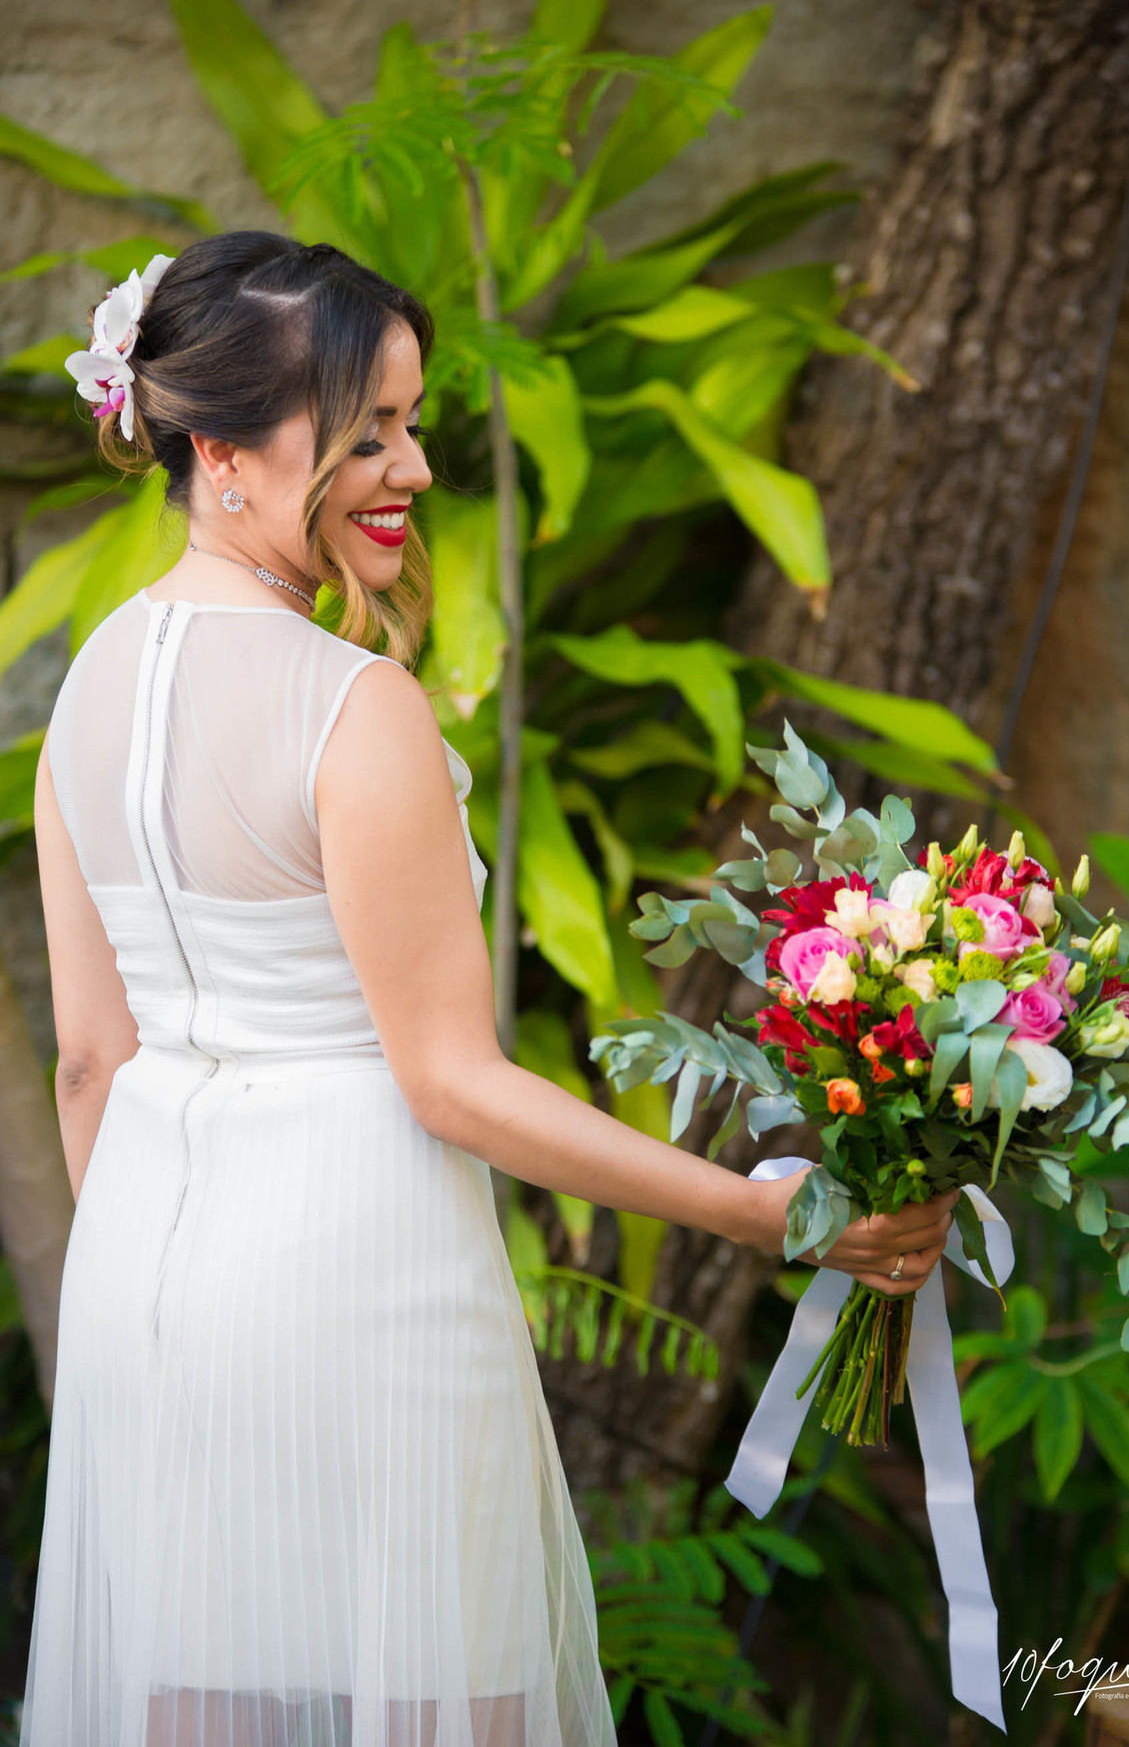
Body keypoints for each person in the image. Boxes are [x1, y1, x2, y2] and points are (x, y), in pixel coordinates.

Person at [25, 231, 959, 1747]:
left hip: (153, 1290)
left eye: (410, 422)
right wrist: (773, 1211)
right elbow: (451, 1079)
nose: (412, 466)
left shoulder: (92, 684)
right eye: (364, 430)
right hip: (364, 1279)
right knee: (454, 1700)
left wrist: (155, 1297)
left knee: (200, 1704)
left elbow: (88, 1060)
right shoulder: (353, 706)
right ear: (220, 453)